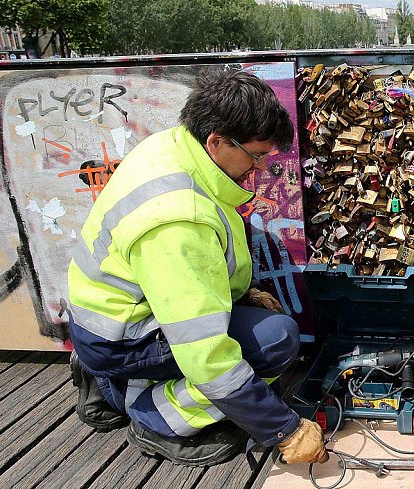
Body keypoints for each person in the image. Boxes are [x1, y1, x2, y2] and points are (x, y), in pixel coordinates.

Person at [66, 68, 328, 467]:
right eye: (256, 155)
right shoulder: (177, 219)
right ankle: (154, 417)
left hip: (112, 319)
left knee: (258, 327)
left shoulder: (173, 147)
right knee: (274, 341)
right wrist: (284, 430)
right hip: (122, 337)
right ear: (217, 141)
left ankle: (107, 381)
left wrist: (242, 293)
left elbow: (190, 271)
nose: (259, 168)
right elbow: (205, 353)